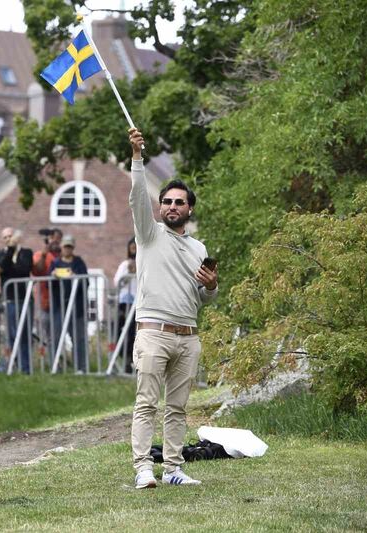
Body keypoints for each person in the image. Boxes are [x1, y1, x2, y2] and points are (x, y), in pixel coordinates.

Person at [127, 127, 219, 489]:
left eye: (179, 202)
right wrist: (137, 158)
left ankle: (173, 469)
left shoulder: (198, 247)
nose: (172, 207)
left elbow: (204, 297)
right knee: (147, 403)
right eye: (167, 201)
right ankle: (142, 469)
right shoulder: (148, 234)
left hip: (189, 337)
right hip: (153, 333)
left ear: (189, 209)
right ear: (160, 207)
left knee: (177, 408)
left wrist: (212, 286)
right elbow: (137, 198)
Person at [0, 228, 34, 373]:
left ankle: (26, 368)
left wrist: (10, 267)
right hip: (10, 299)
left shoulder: (27, 253)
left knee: (25, 333)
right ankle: (13, 365)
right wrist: (10, 250)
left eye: (10, 236)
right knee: (12, 334)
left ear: (16, 237)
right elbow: (4, 268)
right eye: (5, 237)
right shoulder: (0, 254)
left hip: (25, 298)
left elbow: (23, 270)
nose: (8, 239)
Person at [48, 235, 89, 372]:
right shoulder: (55, 263)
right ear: (61, 247)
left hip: (76, 307)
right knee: (55, 337)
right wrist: (53, 275)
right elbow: (48, 284)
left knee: (78, 338)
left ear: (73, 248)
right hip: (59, 306)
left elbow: (86, 282)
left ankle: (81, 367)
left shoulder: (79, 262)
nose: (67, 249)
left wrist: (75, 275)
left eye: (70, 247)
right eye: (65, 246)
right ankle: (55, 367)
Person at [32, 228, 62, 356]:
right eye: (52, 238)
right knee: (49, 336)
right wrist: (44, 254)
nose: (54, 241)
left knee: (60, 334)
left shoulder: (63, 255)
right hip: (47, 303)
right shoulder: (40, 254)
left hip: (62, 302)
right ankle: (54, 364)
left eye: (57, 239)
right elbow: (37, 271)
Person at [113, 238, 138, 374]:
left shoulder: (145, 263)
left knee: (135, 333)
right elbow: (118, 282)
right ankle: (125, 358)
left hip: (139, 301)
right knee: (123, 331)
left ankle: (133, 359)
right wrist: (128, 273)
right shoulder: (124, 264)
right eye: (131, 247)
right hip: (125, 301)